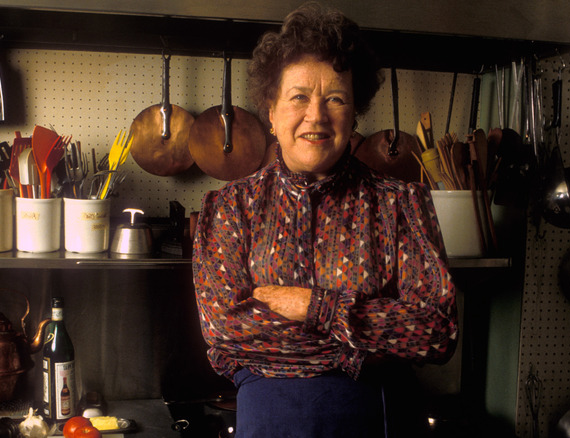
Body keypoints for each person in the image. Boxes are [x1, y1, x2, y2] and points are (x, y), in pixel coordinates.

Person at [192, 2, 458, 437]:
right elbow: (226, 330)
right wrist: (367, 344)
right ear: (272, 113)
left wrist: (313, 306)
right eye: (299, 97)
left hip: (383, 421)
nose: (316, 116)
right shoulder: (229, 208)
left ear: (354, 113)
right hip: (272, 422)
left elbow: (436, 332)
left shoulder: (401, 203)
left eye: (335, 98)